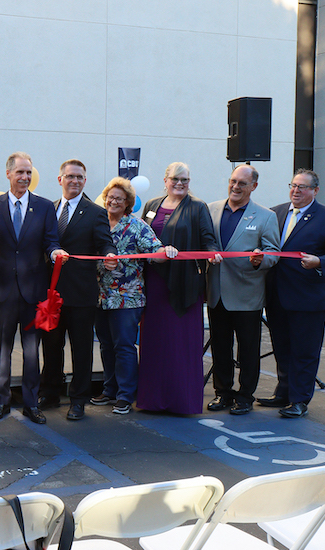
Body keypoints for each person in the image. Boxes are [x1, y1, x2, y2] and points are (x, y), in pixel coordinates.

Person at [259, 169, 325, 418]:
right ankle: (283, 393)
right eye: (293, 185)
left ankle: (299, 400)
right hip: (277, 294)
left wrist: (320, 261)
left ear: (315, 191)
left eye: (303, 187)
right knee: (282, 346)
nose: (296, 191)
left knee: (305, 351)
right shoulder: (274, 213)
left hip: (309, 297)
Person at [0, 152, 64, 424]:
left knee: (31, 351)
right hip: (4, 290)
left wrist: (55, 253)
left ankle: (31, 403)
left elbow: (50, 241)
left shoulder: (43, 207)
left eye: (28, 172)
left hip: (33, 291)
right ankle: (1, 402)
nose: (25, 177)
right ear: (8, 174)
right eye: (20, 172)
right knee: (2, 349)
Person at [137, 162, 220, 414]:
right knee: (154, 342)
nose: (180, 184)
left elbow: (207, 239)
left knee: (180, 345)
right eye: (176, 179)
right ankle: (152, 400)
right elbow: (142, 237)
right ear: (165, 180)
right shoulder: (152, 206)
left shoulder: (198, 207)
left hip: (183, 285)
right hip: (154, 282)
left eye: (185, 180)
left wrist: (212, 254)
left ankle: (181, 401)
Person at [39, 159, 116, 421]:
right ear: (60, 179)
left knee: (81, 350)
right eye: (70, 176)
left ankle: (78, 399)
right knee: (51, 346)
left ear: (85, 180)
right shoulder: (48, 210)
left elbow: (106, 244)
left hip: (81, 294)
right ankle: (49, 392)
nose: (75, 181)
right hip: (50, 294)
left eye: (80, 177)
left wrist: (109, 256)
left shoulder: (95, 212)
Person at [205, 165, 280, 415]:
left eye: (242, 183)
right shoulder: (212, 209)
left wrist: (262, 259)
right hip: (216, 293)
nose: (235, 187)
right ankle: (223, 393)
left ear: (253, 187)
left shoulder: (266, 216)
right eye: (233, 181)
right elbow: (206, 242)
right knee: (220, 347)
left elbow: (273, 252)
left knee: (248, 350)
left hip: (247, 294)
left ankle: (245, 396)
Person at [94, 177, 168, 415]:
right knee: (105, 345)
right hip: (101, 296)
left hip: (127, 297)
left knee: (124, 346)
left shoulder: (136, 226)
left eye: (119, 198)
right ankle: (109, 390)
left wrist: (164, 252)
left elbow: (155, 248)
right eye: (111, 197)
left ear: (128, 203)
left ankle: (126, 395)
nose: (113, 201)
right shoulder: (99, 223)